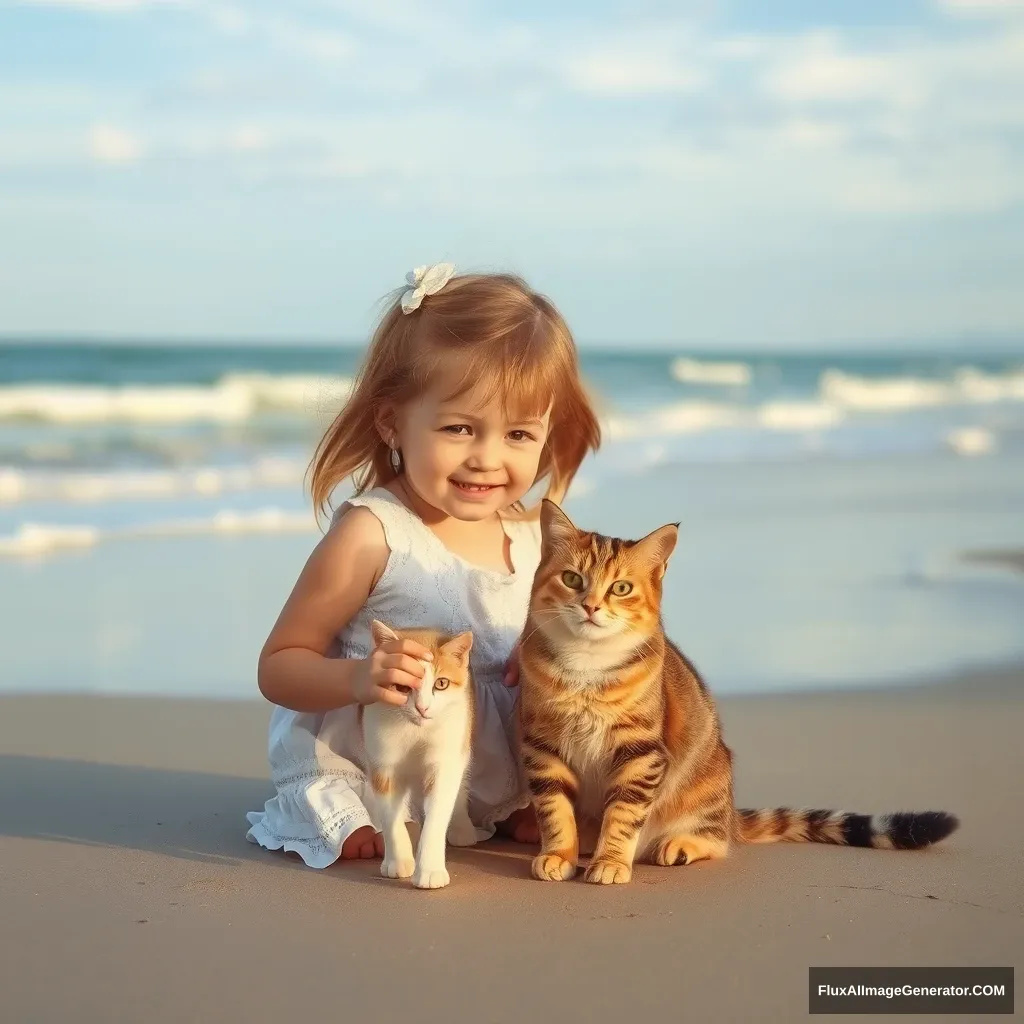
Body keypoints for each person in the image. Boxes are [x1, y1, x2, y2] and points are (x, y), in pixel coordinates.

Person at [245, 263, 602, 866]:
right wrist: (361, 681)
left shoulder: (534, 534)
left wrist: (541, 651)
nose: (487, 458)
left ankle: (498, 799)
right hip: (375, 755)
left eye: (518, 434)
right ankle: (365, 808)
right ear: (392, 422)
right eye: (460, 428)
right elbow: (279, 666)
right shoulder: (375, 534)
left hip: (476, 753)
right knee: (366, 834)